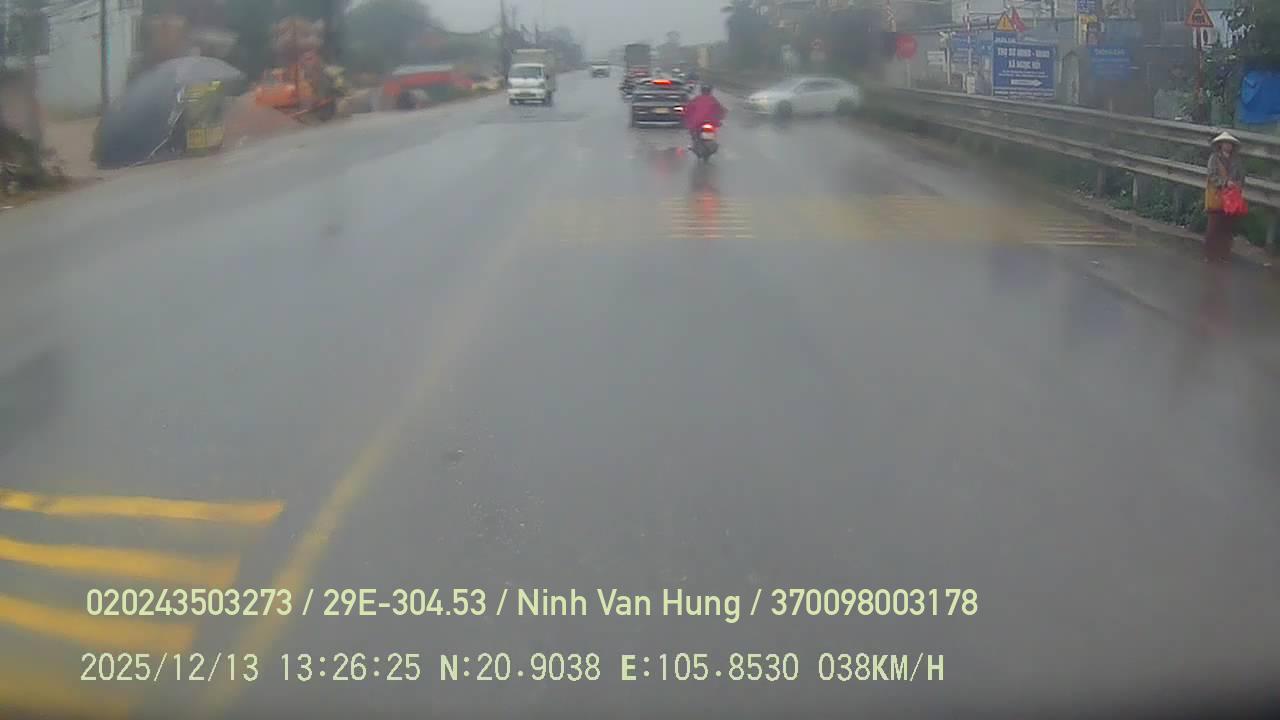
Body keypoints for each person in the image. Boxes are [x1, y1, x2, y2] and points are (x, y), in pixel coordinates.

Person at [1204, 131, 1246, 264]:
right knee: (1213, 227)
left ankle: (1224, 255)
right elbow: (1211, 175)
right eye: (1225, 143)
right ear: (1220, 144)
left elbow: (1242, 177)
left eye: (1230, 144)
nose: (1228, 146)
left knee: (1227, 228)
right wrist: (1225, 183)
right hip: (1217, 196)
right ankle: (1210, 255)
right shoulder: (1214, 158)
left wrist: (1237, 185)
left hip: (1231, 199)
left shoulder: (1237, 160)